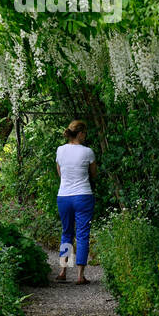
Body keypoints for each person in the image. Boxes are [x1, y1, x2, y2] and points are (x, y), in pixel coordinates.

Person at [55, 120, 97, 284]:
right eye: (84, 133)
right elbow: (93, 174)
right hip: (83, 196)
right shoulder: (87, 152)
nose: (85, 136)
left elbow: (60, 174)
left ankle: (63, 271)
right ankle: (80, 276)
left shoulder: (60, 150)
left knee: (66, 232)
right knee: (82, 234)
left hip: (64, 196)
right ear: (80, 134)